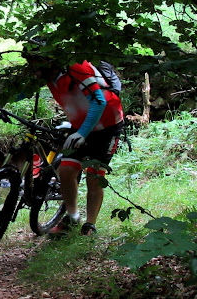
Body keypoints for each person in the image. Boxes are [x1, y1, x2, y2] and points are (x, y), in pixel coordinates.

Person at [22, 42, 124, 236]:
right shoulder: (46, 74)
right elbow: (22, 92)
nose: (33, 66)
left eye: (35, 60)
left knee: (94, 176)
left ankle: (90, 225)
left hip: (107, 125)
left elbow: (99, 100)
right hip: (82, 125)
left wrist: (82, 133)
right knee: (66, 171)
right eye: (30, 61)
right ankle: (72, 217)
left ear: (47, 58)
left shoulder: (76, 67)